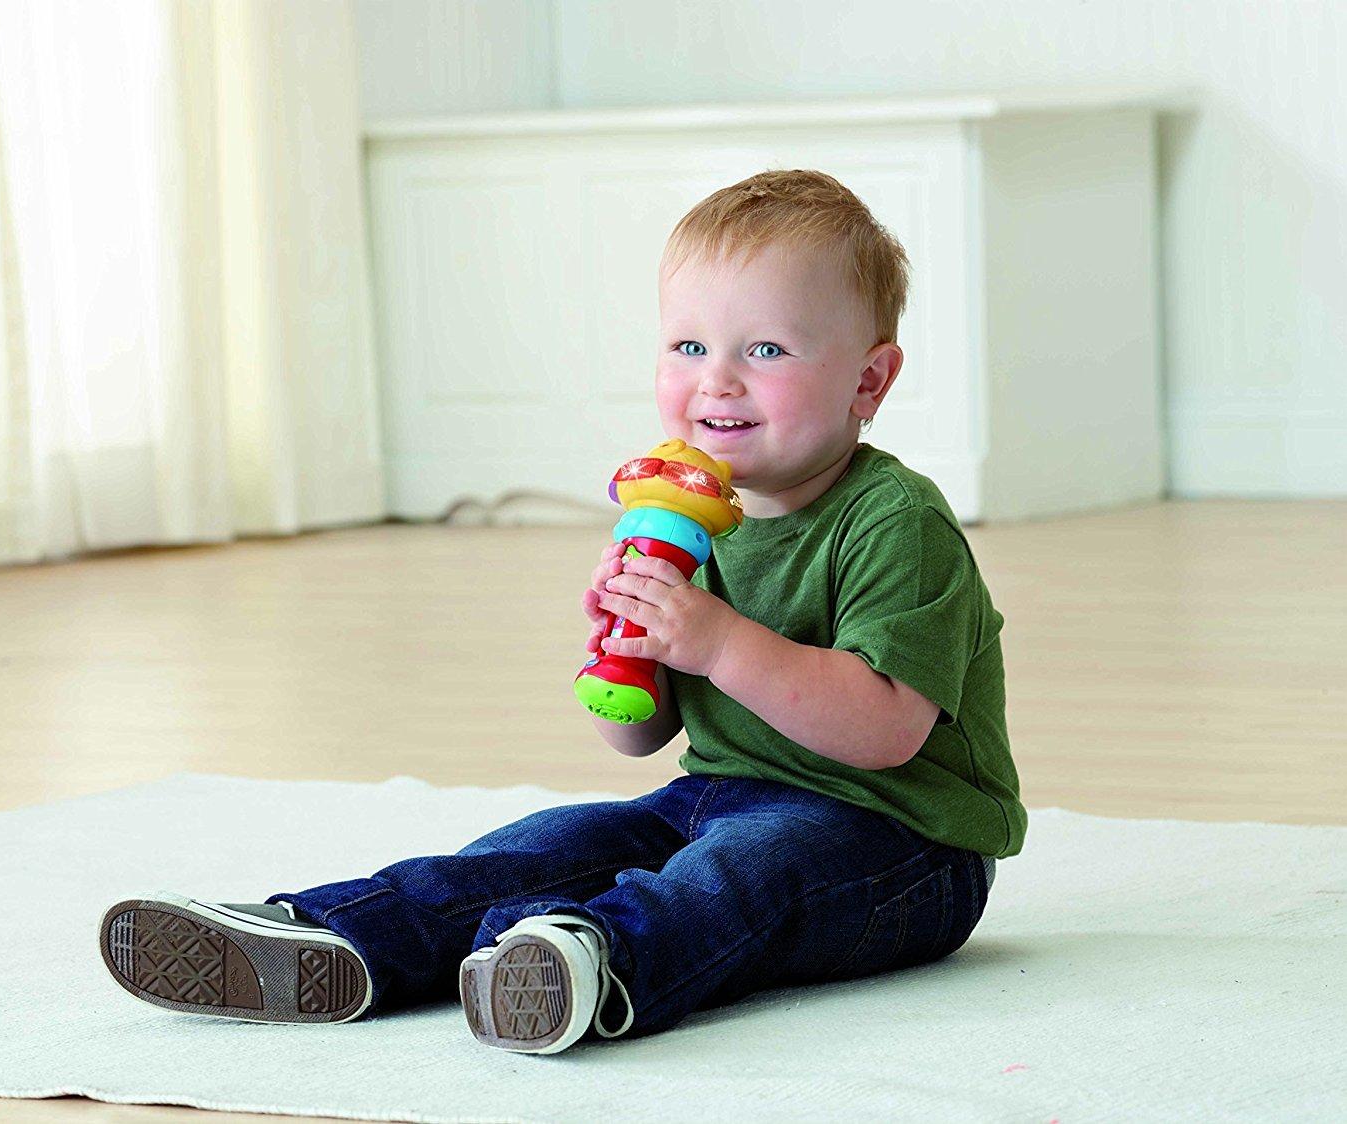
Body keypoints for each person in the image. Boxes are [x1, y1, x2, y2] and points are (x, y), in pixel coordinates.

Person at [98, 169, 1027, 1055]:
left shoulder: (895, 520)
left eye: (766, 350)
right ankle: (340, 935)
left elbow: (882, 731)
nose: (717, 380)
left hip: (901, 842)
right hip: (715, 797)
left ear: (869, 381)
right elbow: (639, 738)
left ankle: (595, 963)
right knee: (551, 848)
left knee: (742, 877)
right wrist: (630, 651)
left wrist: (716, 642)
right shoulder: (694, 522)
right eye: (689, 347)